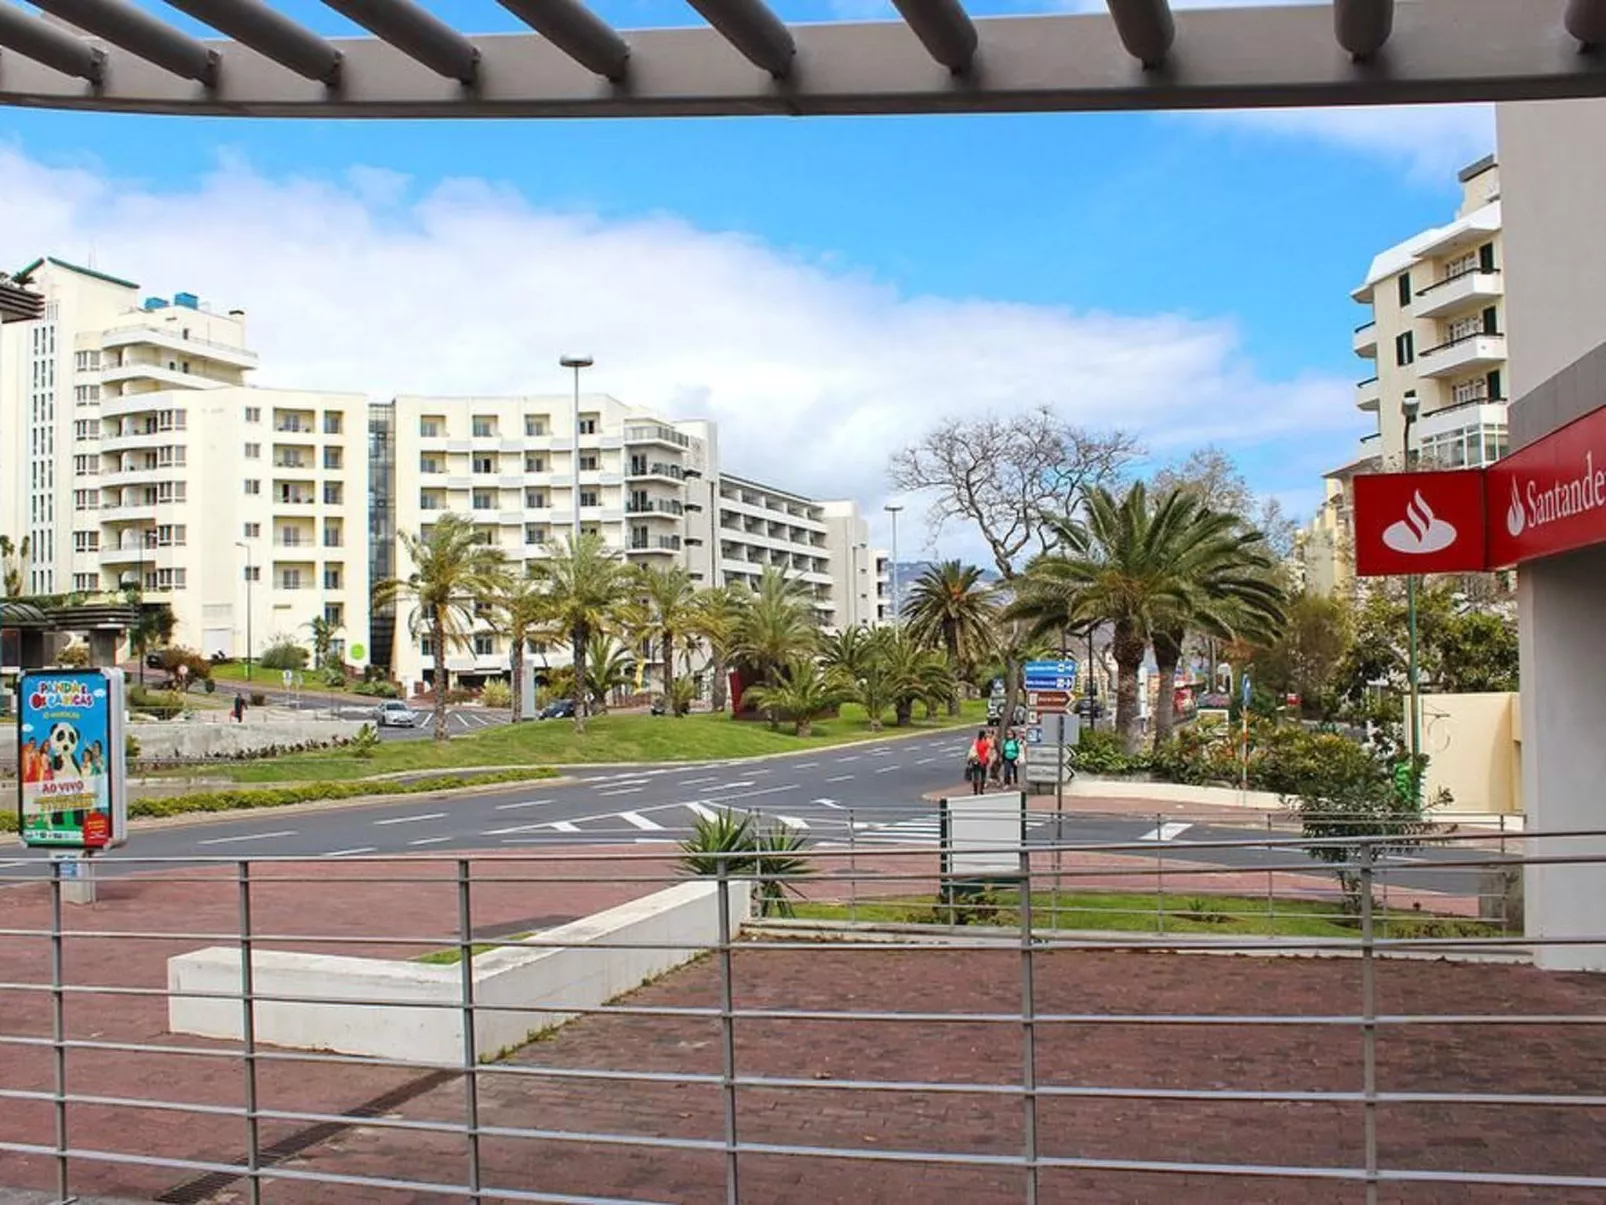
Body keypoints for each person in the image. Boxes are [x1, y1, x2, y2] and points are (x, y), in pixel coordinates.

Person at [966, 729, 992, 795]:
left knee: (976, 776)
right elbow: (988, 752)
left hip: (976, 760)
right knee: (983, 776)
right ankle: (981, 790)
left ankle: (975, 790)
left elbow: (972, 750)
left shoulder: (976, 742)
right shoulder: (986, 743)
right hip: (983, 761)